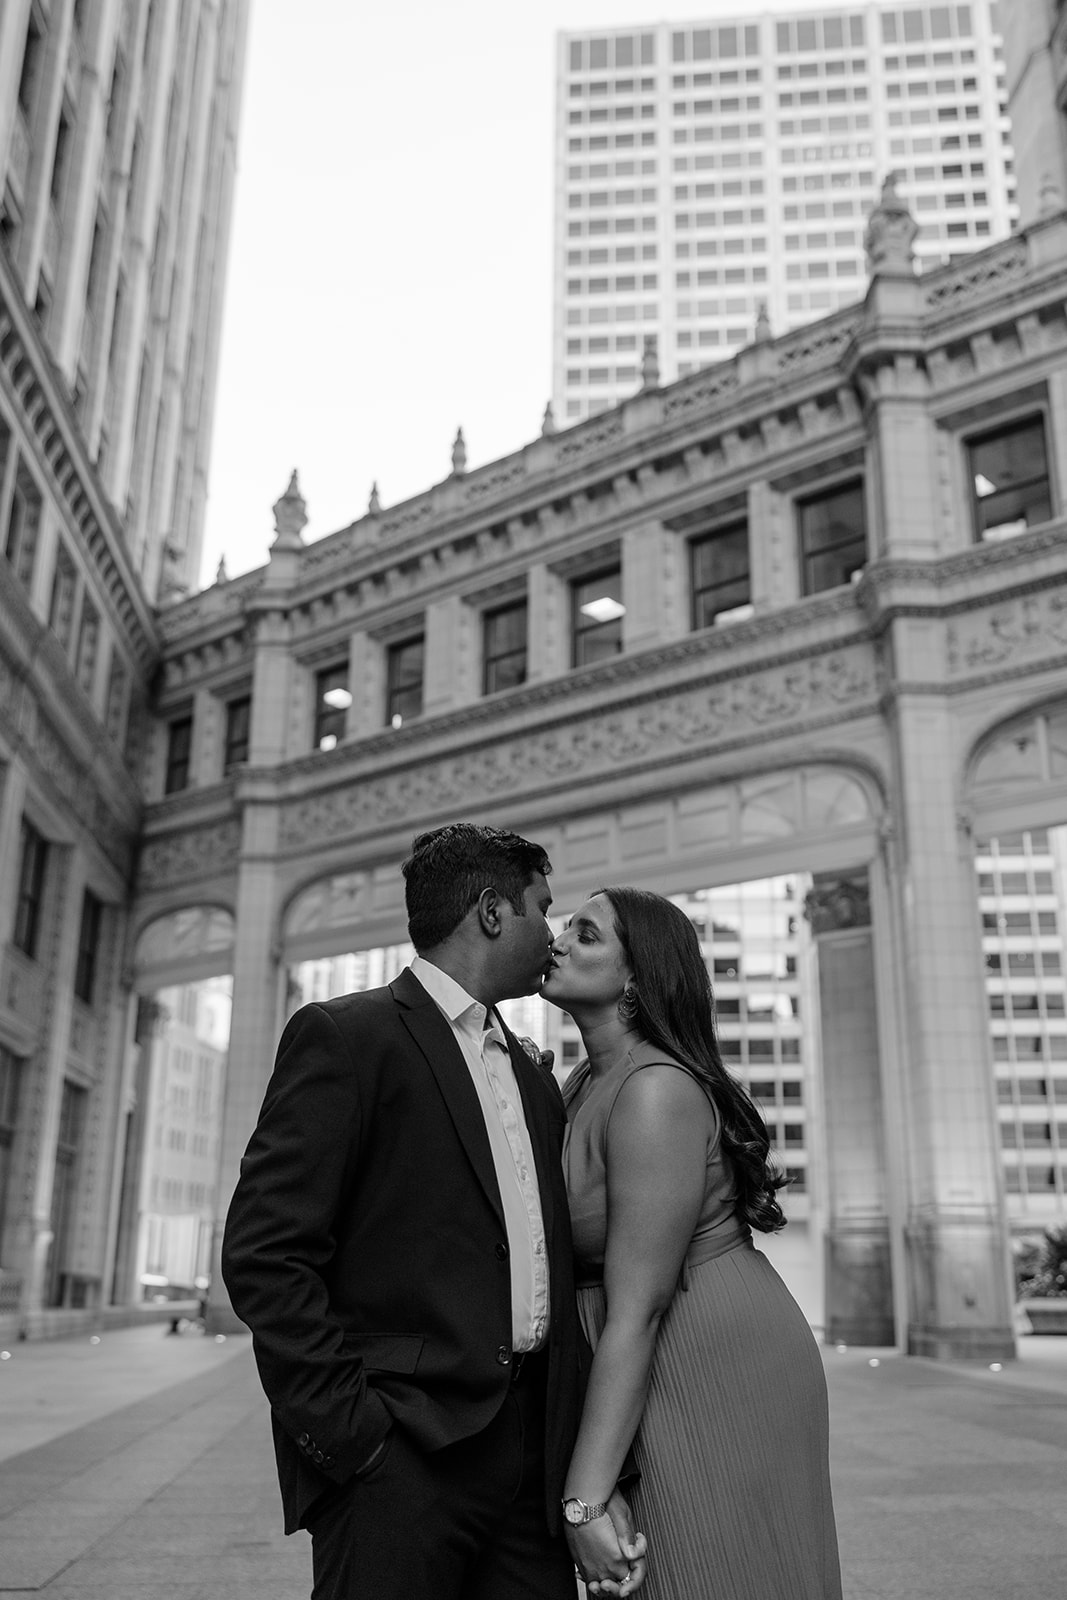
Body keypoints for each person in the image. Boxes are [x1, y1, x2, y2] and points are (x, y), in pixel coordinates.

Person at [221, 823, 644, 1600]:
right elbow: (265, 1254)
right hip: (398, 1462)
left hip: (529, 1473)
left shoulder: (532, 1074)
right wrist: (355, 1440)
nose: (550, 935)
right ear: (491, 912)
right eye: (541, 909)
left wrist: (582, 1467)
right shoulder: (347, 1037)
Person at [542, 885, 843, 1600]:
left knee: (713, 1571)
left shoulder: (653, 1090)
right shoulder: (582, 1080)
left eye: (586, 934)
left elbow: (640, 1307)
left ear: (636, 978)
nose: (558, 942)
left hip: (700, 1350)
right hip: (639, 1352)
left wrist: (582, 1502)